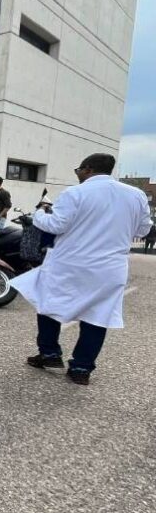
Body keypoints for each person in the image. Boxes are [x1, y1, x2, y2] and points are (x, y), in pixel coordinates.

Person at [11, 153, 152, 385]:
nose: (77, 175)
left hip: (71, 263)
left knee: (48, 304)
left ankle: (49, 354)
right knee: (98, 316)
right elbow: (143, 230)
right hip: (110, 267)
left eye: (78, 170)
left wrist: (39, 214)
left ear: (87, 169)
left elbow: (56, 224)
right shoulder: (136, 195)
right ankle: (81, 369)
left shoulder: (75, 193)